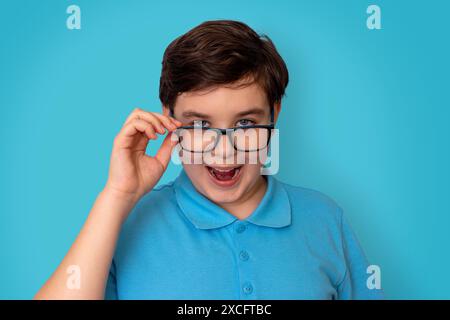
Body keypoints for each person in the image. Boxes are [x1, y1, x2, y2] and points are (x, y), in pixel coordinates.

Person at [35, 20, 383, 300]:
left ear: (274, 114)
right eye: (200, 125)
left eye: (245, 123)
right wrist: (118, 195)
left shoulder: (324, 219)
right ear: (167, 116)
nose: (224, 151)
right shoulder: (125, 222)